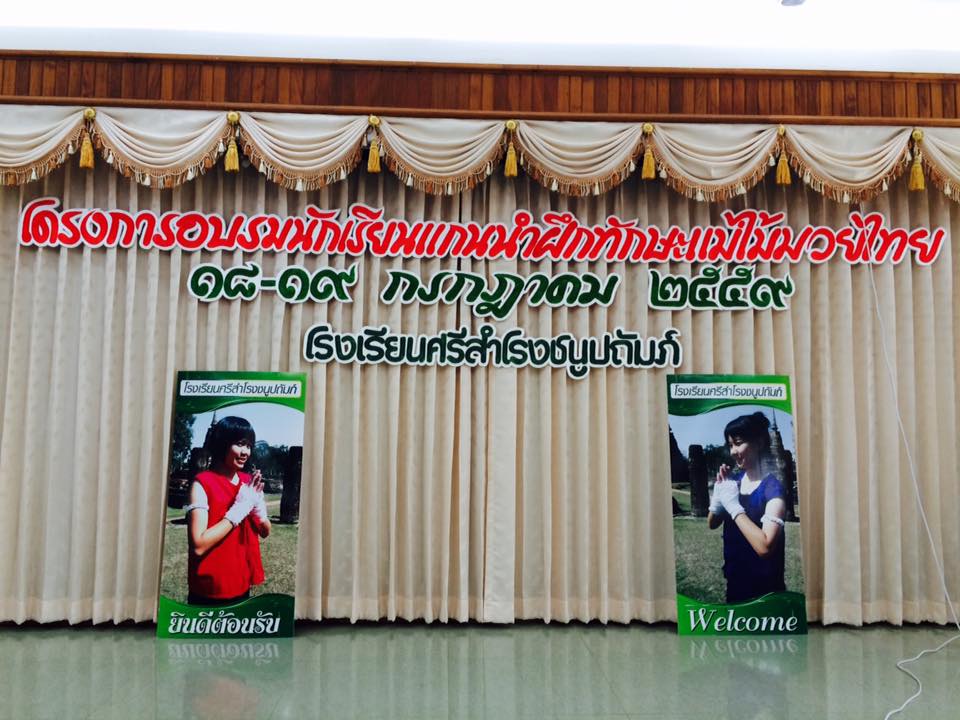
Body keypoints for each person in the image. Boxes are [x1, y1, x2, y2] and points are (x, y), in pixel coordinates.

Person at [183, 416, 271, 605]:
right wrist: (241, 508)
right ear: (222, 443)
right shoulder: (202, 484)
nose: (246, 452)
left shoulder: (248, 483)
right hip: (210, 589)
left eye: (249, 446)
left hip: (241, 582)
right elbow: (198, 545)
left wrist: (257, 506)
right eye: (240, 444)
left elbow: (265, 531)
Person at [706, 412, 787, 604]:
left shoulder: (773, 489)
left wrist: (732, 505)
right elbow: (712, 523)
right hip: (735, 583)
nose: (733, 451)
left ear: (759, 442)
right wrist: (719, 496)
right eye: (730, 445)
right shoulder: (734, 482)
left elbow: (765, 547)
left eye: (738, 443)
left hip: (765, 591)